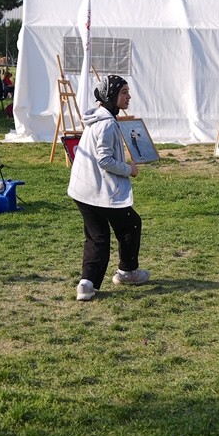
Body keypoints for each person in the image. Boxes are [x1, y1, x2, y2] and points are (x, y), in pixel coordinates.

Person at [67, 75, 149, 301]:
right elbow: (105, 161)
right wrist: (129, 169)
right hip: (96, 191)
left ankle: (86, 284)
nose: (128, 96)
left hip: (82, 190)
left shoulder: (98, 119)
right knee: (131, 224)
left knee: (97, 237)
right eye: (124, 92)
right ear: (111, 96)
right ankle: (127, 272)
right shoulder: (106, 124)